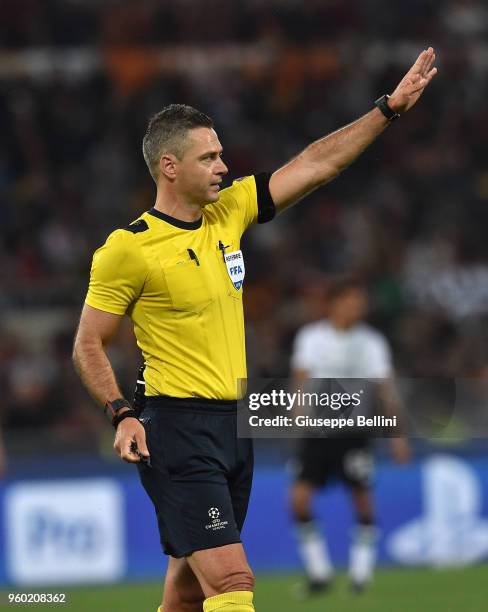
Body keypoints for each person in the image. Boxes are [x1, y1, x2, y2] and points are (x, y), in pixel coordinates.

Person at [72, 48, 436, 612]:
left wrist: (386, 110)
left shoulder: (230, 212)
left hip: (233, 424)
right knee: (233, 583)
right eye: (209, 157)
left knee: (188, 591)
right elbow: (88, 342)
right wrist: (121, 413)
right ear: (170, 167)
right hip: (176, 427)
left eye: (222, 155)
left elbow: (318, 163)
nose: (224, 166)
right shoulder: (129, 249)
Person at [289, 278, 411, 595]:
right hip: (317, 432)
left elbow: (385, 390)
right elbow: (300, 380)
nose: (358, 307)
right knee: (299, 500)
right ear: (335, 303)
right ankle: (319, 574)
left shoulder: (372, 342)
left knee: (362, 501)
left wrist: (397, 435)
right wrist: (297, 412)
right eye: (352, 300)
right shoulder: (312, 337)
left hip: (355, 433)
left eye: (361, 301)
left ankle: (361, 575)